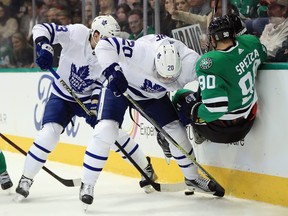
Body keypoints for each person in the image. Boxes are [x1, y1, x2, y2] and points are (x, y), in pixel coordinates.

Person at [14, 15, 156, 205]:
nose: (110, 45)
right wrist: (44, 47)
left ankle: (144, 167)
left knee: (109, 132)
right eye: (106, 40)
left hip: (87, 98)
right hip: (61, 95)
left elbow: (100, 83)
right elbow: (41, 29)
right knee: (49, 134)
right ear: (95, 34)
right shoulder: (77, 33)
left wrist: (94, 106)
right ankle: (26, 178)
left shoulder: (109, 55)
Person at [92, 33, 225, 200]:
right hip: (126, 85)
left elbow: (211, 77)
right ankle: (88, 183)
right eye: (163, 76)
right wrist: (113, 70)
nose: (167, 80)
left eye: (172, 77)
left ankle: (192, 178)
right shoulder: (142, 52)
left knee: (176, 130)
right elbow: (104, 45)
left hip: (153, 96)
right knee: (106, 128)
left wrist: (199, 102)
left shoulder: (191, 62)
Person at [172, 15, 267, 145]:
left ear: (212, 38)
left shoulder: (209, 62)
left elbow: (215, 109)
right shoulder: (251, 42)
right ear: (234, 34)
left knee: (182, 98)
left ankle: (185, 136)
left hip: (222, 130)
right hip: (248, 121)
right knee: (204, 93)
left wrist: (194, 112)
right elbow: (263, 53)